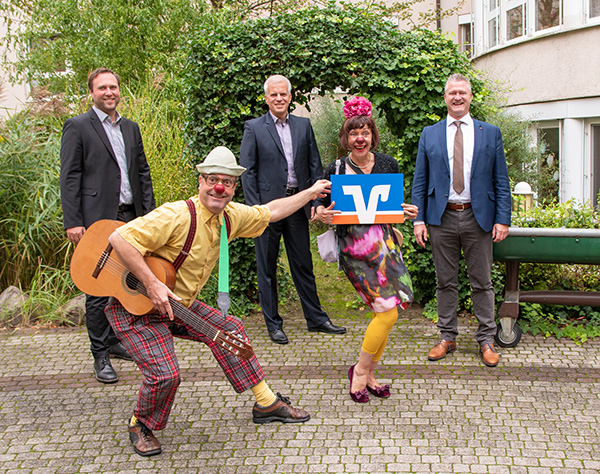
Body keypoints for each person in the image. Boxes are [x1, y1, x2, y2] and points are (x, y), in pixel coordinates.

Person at [106, 146, 326, 457]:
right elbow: (119, 239)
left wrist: (311, 192)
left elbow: (272, 211)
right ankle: (140, 423)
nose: (218, 187)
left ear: (234, 187)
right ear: (200, 181)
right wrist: (152, 283)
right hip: (137, 308)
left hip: (178, 305)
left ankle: (266, 404)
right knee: (165, 374)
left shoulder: (231, 217)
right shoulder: (176, 215)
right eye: (212, 179)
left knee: (230, 329)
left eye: (226, 181)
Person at [313, 96, 417, 403]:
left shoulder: (387, 164)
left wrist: (406, 212)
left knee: (391, 311)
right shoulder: (334, 168)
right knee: (385, 312)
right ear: (345, 138)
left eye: (365, 132)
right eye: (353, 133)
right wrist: (321, 213)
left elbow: (394, 205)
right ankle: (360, 372)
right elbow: (317, 206)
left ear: (372, 134)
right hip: (356, 249)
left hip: (386, 245)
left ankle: (369, 373)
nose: (360, 138)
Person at [60, 67, 155, 384]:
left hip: (131, 217)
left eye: (113, 87)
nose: (109, 92)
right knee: (98, 287)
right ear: (91, 93)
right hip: (97, 220)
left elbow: (143, 173)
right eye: (102, 88)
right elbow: (70, 177)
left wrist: (149, 217)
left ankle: (116, 342)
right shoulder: (77, 127)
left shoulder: (131, 128)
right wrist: (73, 221)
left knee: (126, 282)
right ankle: (100, 354)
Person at [411, 73, 511, 368]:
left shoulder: (489, 133)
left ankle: (486, 339)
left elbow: (501, 180)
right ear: (445, 97)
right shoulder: (429, 133)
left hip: (478, 217)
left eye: (462, 93)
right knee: (445, 282)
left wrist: (502, 218)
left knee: (482, 282)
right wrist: (418, 220)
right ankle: (447, 336)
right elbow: (420, 180)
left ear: (470, 97)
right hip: (441, 217)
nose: (457, 97)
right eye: (452, 92)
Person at [240, 74, 346, 345]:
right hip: (268, 209)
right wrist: (255, 211)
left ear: (290, 97)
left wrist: (314, 202)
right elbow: (247, 172)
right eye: (273, 94)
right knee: (267, 266)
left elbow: (313, 165)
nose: (279, 98)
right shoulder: (254, 128)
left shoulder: (303, 125)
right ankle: (273, 324)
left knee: (303, 263)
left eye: (283, 94)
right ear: (266, 98)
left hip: (298, 205)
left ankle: (316, 319)